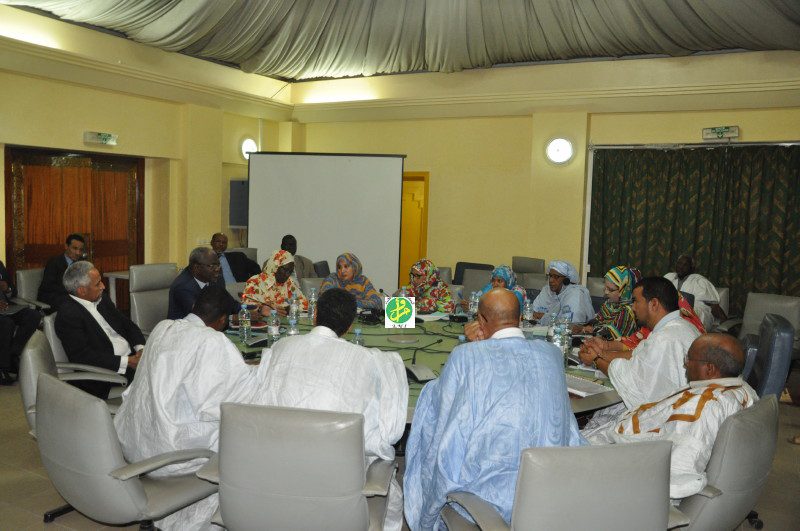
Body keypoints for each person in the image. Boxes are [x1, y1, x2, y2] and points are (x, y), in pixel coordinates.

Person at [404, 289, 585, 529]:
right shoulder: (551, 354)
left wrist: (475, 347)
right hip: (547, 490)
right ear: (520, 318)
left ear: (480, 320)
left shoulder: (464, 356)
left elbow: (439, 405)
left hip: (485, 500)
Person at [252, 287, 408, 531]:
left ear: (314, 314)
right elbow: (392, 431)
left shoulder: (280, 348)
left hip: (272, 479)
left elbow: (255, 403)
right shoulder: (369, 360)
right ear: (350, 325)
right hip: (337, 488)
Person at [114, 285, 264, 531]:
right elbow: (228, 401)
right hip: (169, 453)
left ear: (194, 307)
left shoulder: (163, 327)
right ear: (223, 320)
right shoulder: (211, 341)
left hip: (136, 441)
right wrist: (260, 371)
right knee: (250, 436)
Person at [583, 333, 757, 499]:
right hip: (628, 443)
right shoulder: (742, 389)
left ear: (710, 369)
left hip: (619, 458)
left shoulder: (706, 408)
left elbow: (678, 475)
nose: (685, 365)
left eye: (689, 359)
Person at [579, 276, 701, 411]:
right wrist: (600, 353)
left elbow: (633, 381)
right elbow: (636, 355)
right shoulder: (675, 327)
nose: (633, 307)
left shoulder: (665, 339)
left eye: (636, 301)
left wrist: (596, 360)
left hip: (665, 415)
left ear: (653, 304)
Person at [54, 261, 145, 398]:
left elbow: (126, 324)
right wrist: (128, 361)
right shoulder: (68, 315)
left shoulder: (102, 299)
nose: (103, 286)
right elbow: (83, 356)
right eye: (97, 284)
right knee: (164, 377)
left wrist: (141, 349)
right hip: (109, 372)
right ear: (82, 290)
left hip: (133, 358)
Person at [167, 247, 240, 320]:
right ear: (196, 267)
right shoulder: (183, 287)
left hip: (213, 323)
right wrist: (232, 318)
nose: (217, 269)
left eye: (218, 265)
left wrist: (245, 311)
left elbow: (230, 303)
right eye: (212, 266)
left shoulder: (215, 279)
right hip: (187, 326)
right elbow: (203, 317)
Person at [0, 259, 42, 384]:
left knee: (33, 315)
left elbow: (13, 290)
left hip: (6, 308)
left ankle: (13, 353)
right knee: (7, 324)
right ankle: (3, 368)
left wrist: (7, 289)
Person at [576, 265, 640, 339]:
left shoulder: (628, 311)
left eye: (610, 289)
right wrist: (583, 327)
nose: (606, 292)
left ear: (624, 291)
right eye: (605, 287)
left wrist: (590, 330)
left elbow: (610, 335)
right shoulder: (610, 304)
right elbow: (598, 320)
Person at [665, 255, 726, 330]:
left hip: (697, 314)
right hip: (672, 313)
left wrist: (724, 320)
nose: (681, 267)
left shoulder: (700, 281)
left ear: (692, 268)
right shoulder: (668, 277)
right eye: (679, 263)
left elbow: (714, 305)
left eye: (685, 265)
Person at [242, 249, 308, 317]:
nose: (287, 274)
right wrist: (262, 309)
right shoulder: (255, 281)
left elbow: (304, 303)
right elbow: (246, 307)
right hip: (262, 321)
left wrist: (290, 308)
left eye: (290, 271)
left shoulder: (288, 283)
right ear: (275, 266)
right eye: (284, 270)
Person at [38, 233, 86, 309]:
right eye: (75, 248)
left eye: (80, 250)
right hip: (53, 298)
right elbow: (48, 287)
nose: (78, 253)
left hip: (72, 297)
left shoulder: (81, 264)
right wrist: (73, 291)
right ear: (66, 246)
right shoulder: (54, 262)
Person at [460, 264, 526, 312]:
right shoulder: (490, 287)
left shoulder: (517, 293)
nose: (495, 284)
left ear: (508, 282)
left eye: (499, 281)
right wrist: (468, 307)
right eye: (493, 280)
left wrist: (480, 311)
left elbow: (507, 315)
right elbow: (476, 302)